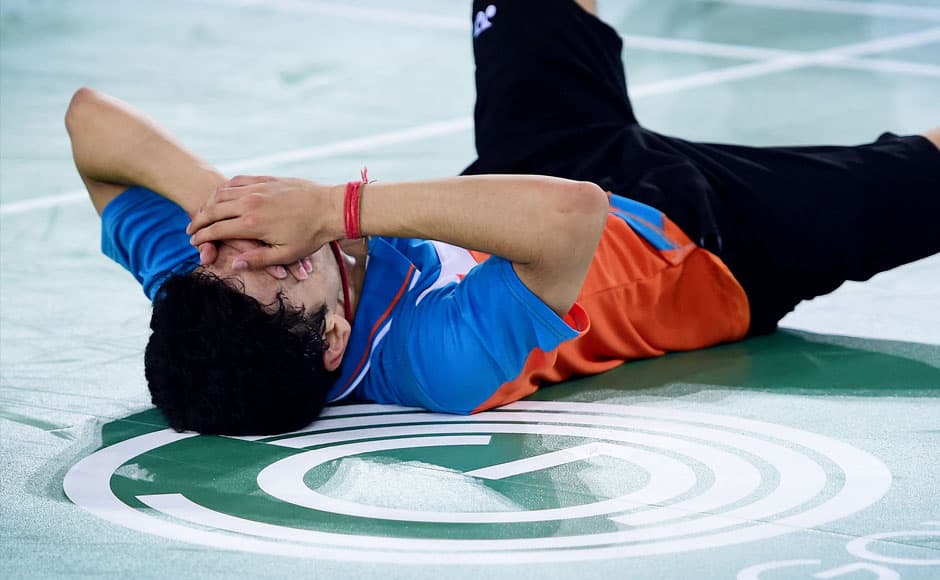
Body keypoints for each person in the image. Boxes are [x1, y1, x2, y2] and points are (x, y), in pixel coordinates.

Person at [66, 0, 940, 435]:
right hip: (712, 249)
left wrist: (218, 205)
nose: (265, 250)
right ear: (334, 340)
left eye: (233, 257)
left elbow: (88, 122)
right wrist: (331, 207)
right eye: (283, 273)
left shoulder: (210, 289)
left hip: (525, 165)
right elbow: (572, 216)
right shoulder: (427, 367)